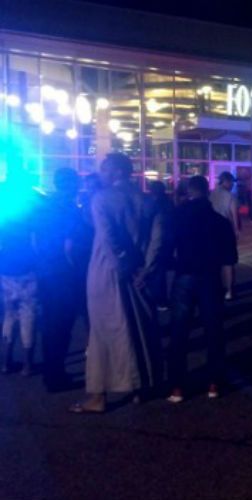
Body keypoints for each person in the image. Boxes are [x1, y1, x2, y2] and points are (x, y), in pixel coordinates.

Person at [69, 153, 159, 414]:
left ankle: (98, 396)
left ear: (116, 171)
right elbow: (157, 240)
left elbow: (108, 239)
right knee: (138, 328)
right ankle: (139, 386)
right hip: (140, 272)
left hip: (107, 272)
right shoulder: (147, 200)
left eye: (104, 170)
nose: (101, 175)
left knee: (102, 333)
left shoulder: (101, 199)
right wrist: (145, 271)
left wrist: (124, 268)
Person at [167, 176, 237, 403]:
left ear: (189, 192)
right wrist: (228, 288)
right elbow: (229, 259)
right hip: (210, 277)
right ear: (207, 191)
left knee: (179, 331)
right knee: (214, 331)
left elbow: (166, 249)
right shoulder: (219, 221)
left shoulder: (177, 217)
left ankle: (177, 386)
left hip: (184, 277)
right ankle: (214, 383)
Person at [36, 168, 86, 391]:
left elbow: (34, 239)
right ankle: (56, 376)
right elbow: (71, 245)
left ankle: (50, 372)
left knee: (49, 324)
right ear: (72, 185)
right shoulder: (70, 211)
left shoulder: (43, 207)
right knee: (62, 326)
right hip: (64, 273)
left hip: (45, 270)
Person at [0, 169, 42, 377]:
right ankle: (27, 365)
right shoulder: (32, 206)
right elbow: (35, 240)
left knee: (9, 314)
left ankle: (5, 362)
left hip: (6, 268)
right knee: (28, 314)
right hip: (27, 268)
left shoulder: (4, 203)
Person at [139, 181, 174, 311]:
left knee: (156, 270)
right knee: (160, 270)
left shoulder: (152, 203)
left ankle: (159, 300)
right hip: (167, 241)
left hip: (156, 240)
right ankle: (161, 299)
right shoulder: (168, 202)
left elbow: (148, 222)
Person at [210, 172, 240, 300]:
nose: (233, 184)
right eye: (231, 182)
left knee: (214, 261)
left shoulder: (211, 194)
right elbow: (234, 216)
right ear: (225, 181)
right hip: (226, 231)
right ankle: (229, 291)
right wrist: (236, 231)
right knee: (228, 262)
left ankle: (215, 288)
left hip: (212, 230)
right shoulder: (230, 196)